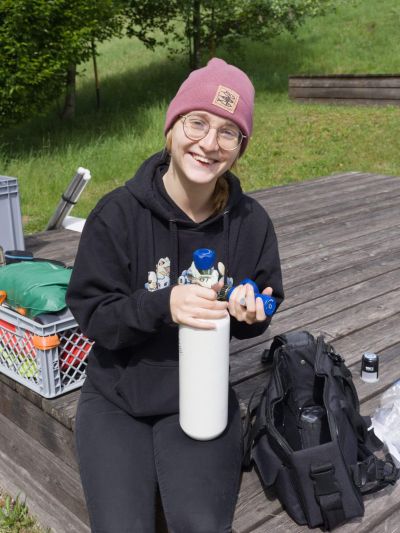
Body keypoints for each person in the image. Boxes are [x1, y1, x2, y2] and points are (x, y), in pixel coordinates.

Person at [66, 57, 284, 533]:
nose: (209, 143)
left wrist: (250, 311)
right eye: (197, 122)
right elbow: (93, 314)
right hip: (117, 396)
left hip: (202, 395)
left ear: (240, 148)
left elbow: (264, 301)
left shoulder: (250, 223)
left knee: (201, 525)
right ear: (172, 126)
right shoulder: (117, 214)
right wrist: (163, 303)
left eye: (228, 132)